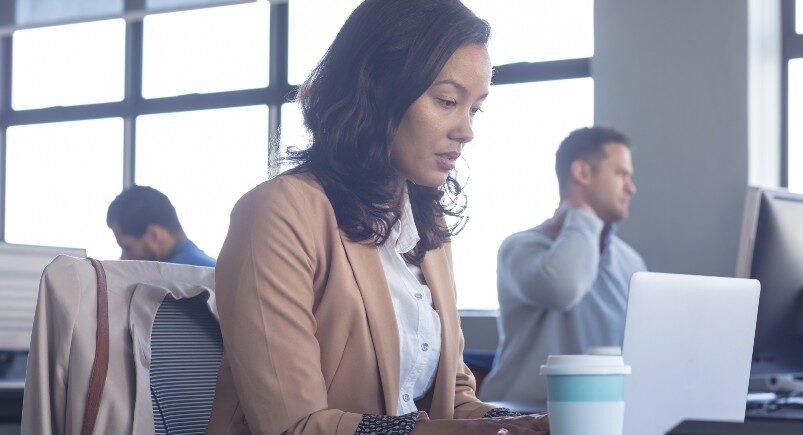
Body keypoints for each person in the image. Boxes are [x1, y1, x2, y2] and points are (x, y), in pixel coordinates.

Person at [205, 1, 549, 434]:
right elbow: (295, 427)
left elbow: (454, 401)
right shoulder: (278, 213)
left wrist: (532, 424)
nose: (466, 129)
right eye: (447, 101)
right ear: (378, 87)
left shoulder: (428, 229)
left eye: (474, 108)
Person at [480, 126, 647, 403]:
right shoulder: (520, 248)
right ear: (582, 173)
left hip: (602, 413)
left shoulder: (631, 261)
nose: (631, 187)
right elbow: (563, 288)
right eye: (621, 174)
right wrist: (581, 215)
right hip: (518, 416)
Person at [106, 185, 216, 267]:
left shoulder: (165, 282)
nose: (123, 259)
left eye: (127, 248)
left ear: (154, 235)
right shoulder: (214, 270)